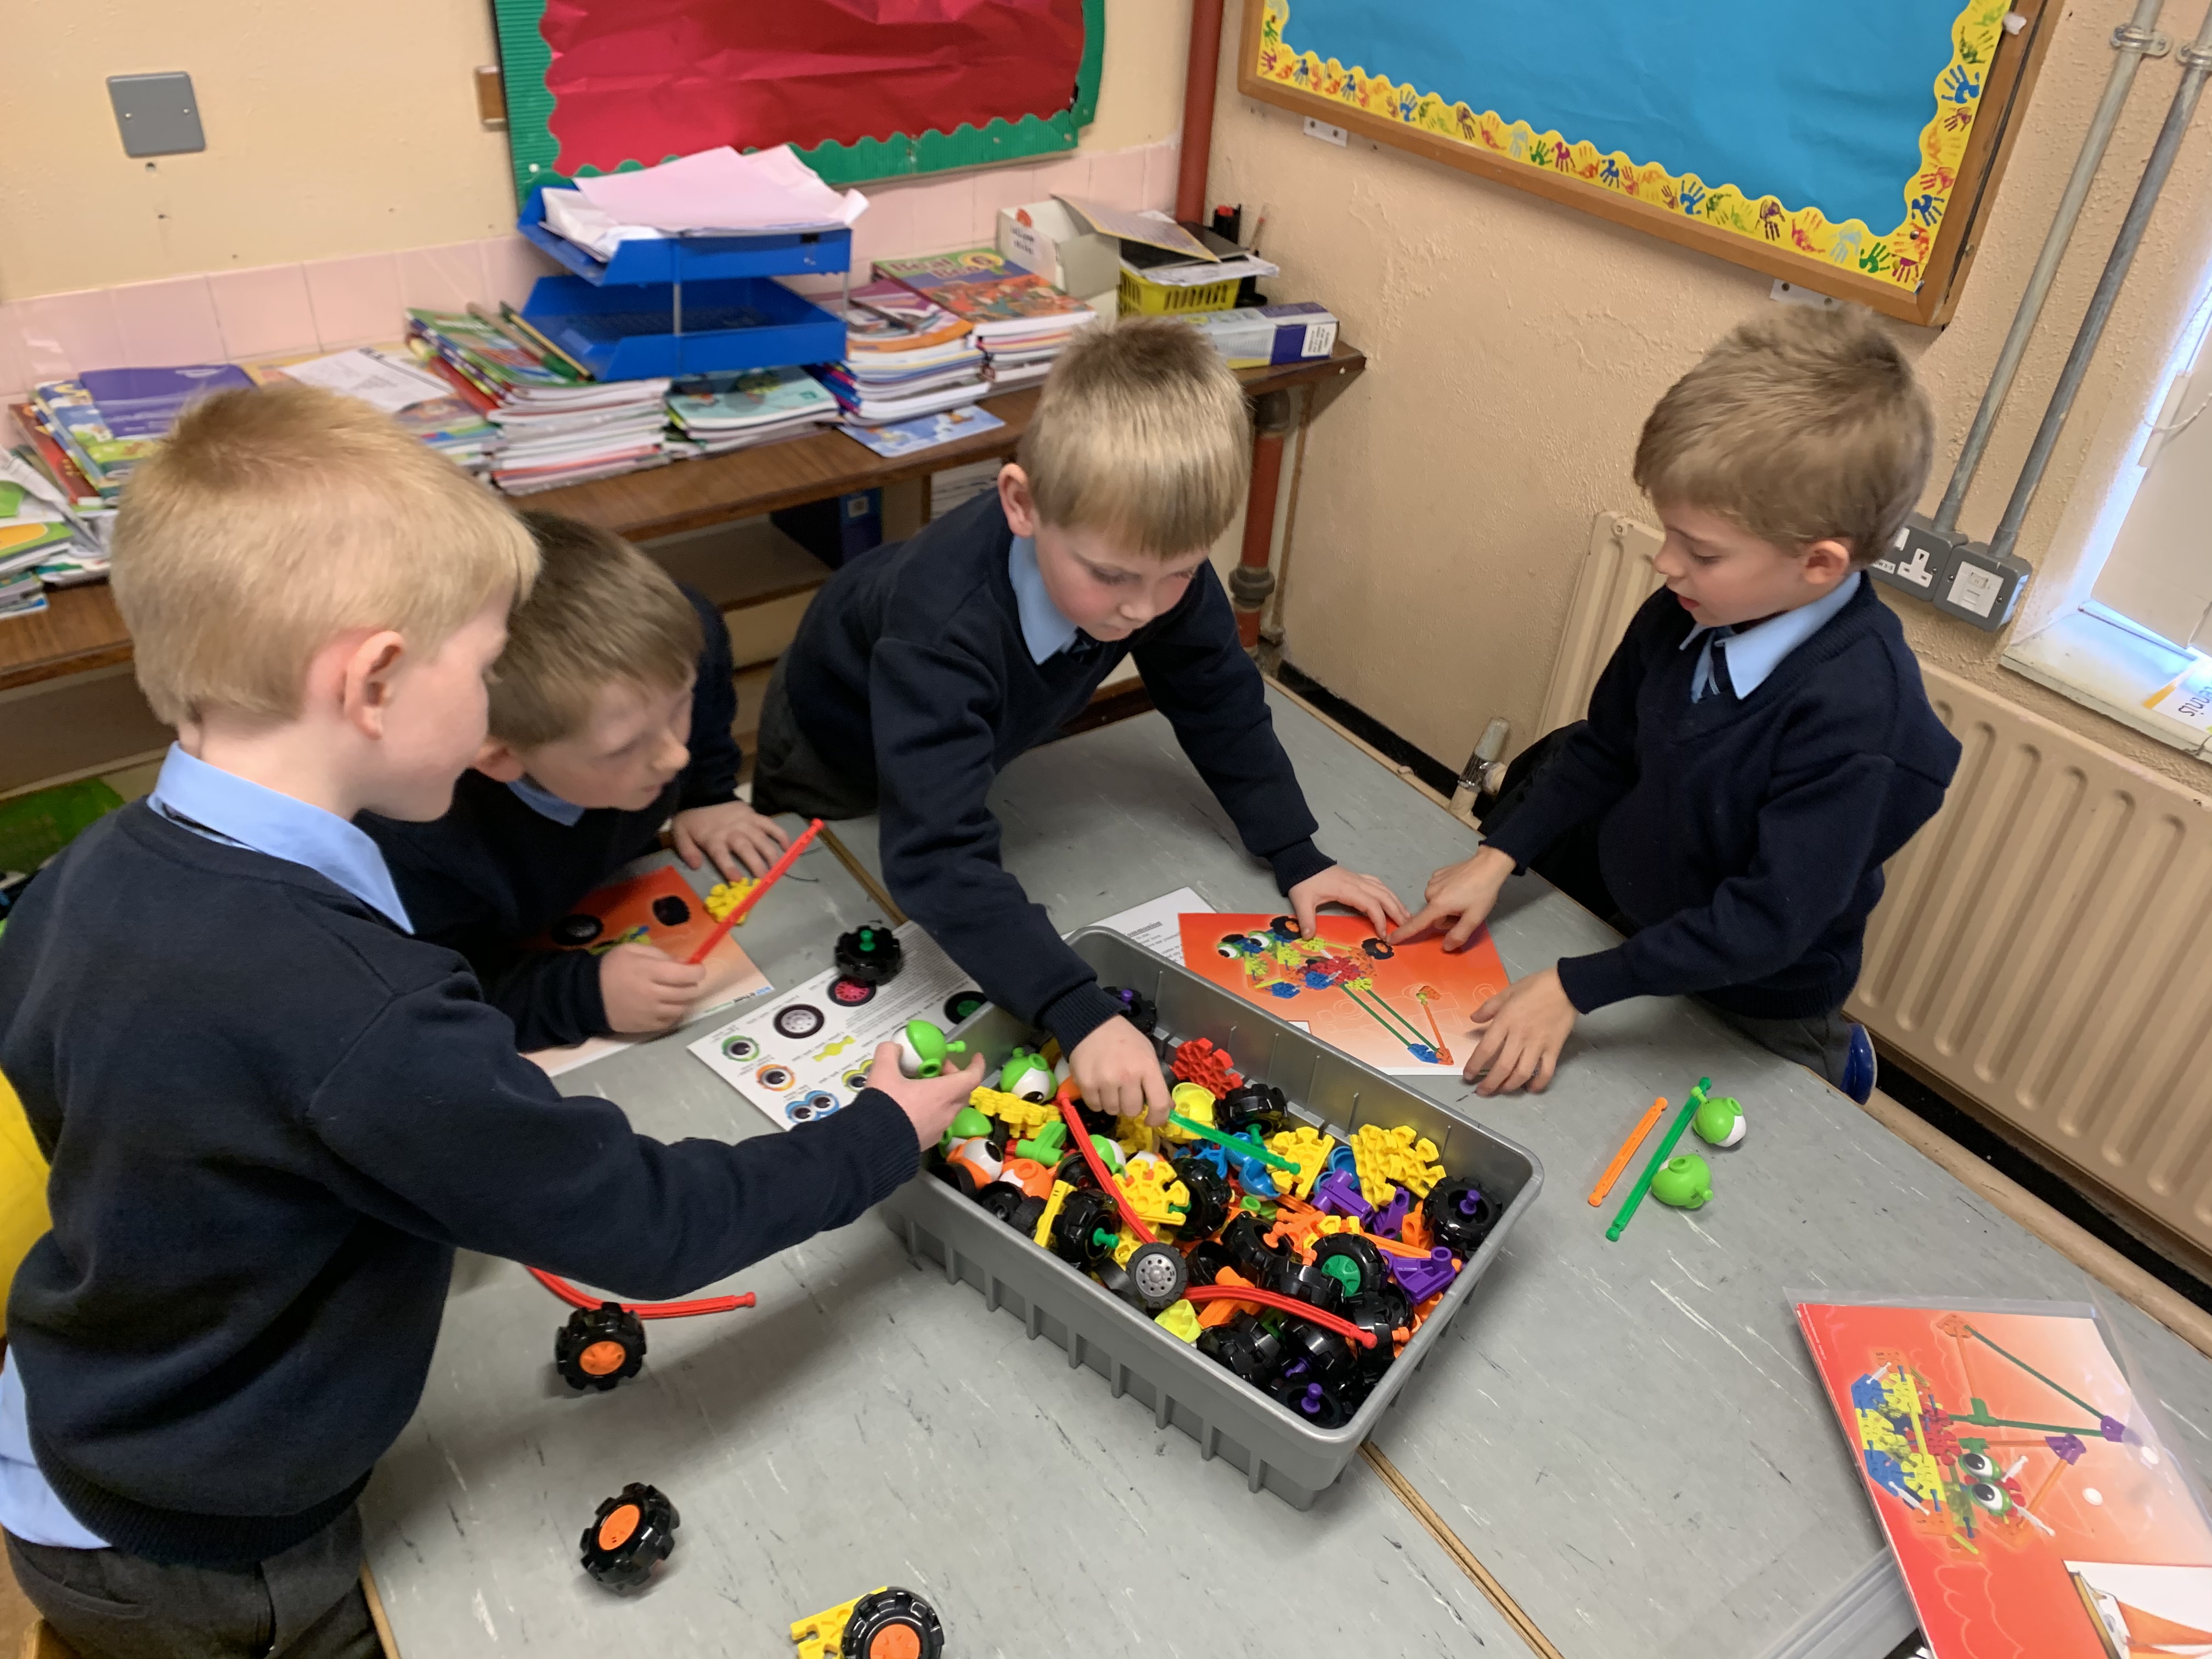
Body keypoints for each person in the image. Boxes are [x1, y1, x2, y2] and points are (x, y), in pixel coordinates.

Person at [0, 382, 980, 1659]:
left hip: (75, 1422)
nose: (495, 706)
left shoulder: (84, 876)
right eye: (486, 659)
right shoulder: (361, 1008)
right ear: (377, 682)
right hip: (214, 1541)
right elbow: (650, 1223)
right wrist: (882, 1132)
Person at [752, 319, 1404, 1123]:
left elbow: (1216, 693)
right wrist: (1077, 1008)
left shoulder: (1148, 563)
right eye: (1111, 577)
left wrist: (1296, 852)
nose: (1142, 609)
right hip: (833, 747)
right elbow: (933, 860)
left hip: (972, 736)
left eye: (1178, 574)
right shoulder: (940, 629)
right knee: (823, 879)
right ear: (1023, 505)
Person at [1396, 307, 1960, 1098]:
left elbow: (1767, 922)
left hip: (1756, 994)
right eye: (1669, 533)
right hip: (1641, 924)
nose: (1665, 564)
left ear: (1819, 563)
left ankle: (1835, 1057)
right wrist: (1499, 857)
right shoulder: (1696, 608)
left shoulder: (1862, 719)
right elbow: (1602, 747)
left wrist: (1575, 988)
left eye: (1700, 551)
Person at [362, 512, 788, 1050]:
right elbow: (428, 997)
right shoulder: (411, 844)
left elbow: (698, 669)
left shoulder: (672, 644)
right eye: (625, 747)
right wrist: (583, 995)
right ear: (497, 758)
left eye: (677, 707)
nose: (672, 755)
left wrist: (709, 793)